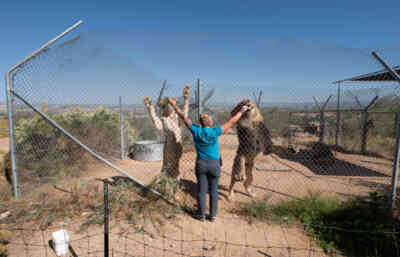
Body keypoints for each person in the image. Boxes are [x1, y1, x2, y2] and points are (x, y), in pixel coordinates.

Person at [168, 98, 249, 222]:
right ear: (209, 123)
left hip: (201, 164)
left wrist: (174, 105)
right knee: (213, 190)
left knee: (201, 190)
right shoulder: (216, 131)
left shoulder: (196, 131)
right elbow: (232, 121)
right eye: (210, 119)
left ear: (201, 123)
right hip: (214, 165)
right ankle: (212, 215)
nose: (211, 120)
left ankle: (201, 215)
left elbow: (183, 117)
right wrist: (242, 111)